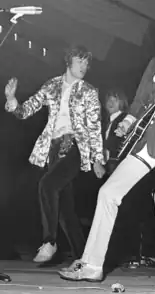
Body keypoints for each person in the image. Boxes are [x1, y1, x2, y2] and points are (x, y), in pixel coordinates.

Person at [59, 9, 155, 287]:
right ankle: (92, 265)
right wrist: (127, 122)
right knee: (108, 193)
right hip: (143, 142)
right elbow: (141, 100)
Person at [4, 45, 105, 263]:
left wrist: (98, 158)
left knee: (47, 186)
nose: (85, 66)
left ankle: (49, 241)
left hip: (75, 146)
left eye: (87, 63)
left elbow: (94, 126)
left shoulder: (89, 90)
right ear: (69, 61)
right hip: (53, 149)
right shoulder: (52, 85)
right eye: (81, 61)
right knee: (64, 210)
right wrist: (12, 101)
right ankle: (85, 258)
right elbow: (26, 110)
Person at [103, 88, 129, 175]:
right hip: (108, 166)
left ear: (122, 103)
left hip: (118, 166)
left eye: (115, 100)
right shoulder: (107, 121)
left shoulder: (125, 119)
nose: (111, 102)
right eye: (109, 99)